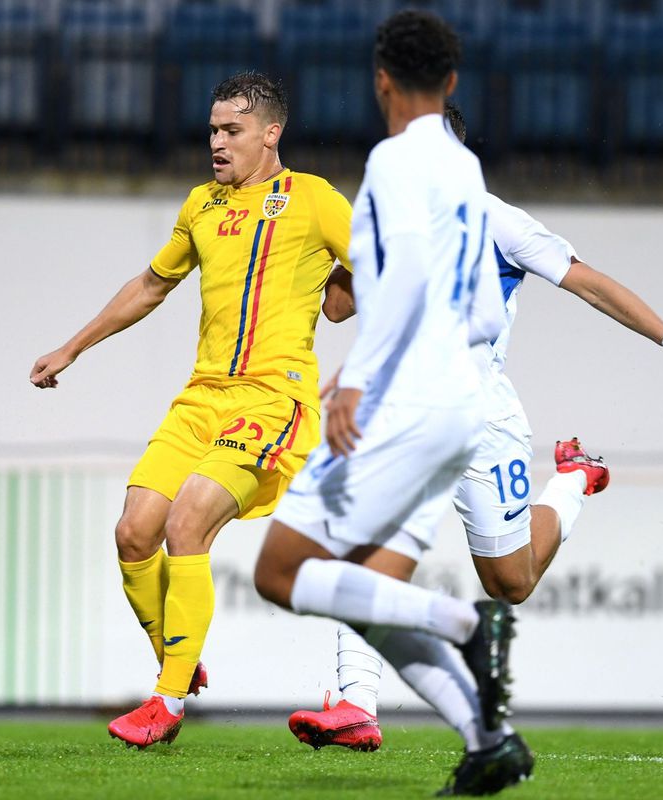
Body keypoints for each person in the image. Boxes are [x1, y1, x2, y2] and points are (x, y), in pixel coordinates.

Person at [283, 100, 663, 794]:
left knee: (512, 583)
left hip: (482, 417)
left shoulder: (498, 222)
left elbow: (589, 283)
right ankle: (357, 706)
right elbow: (339, 308)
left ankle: (574, 483)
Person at [249, 10, 529, 796]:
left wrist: (359, 379)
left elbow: (395, 281)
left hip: (405, 402)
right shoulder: (465, 170)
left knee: (281, 572)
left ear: (380, 80)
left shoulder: (396, 163)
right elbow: (479, 310)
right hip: (464, 403)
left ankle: (468, 625)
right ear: (451, 82)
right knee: (365, 584)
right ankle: (487, 740)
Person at [29, 71, 353, 748]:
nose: (216, 141)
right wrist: (72, 347)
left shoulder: (315, 200)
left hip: (272, 400)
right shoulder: (201, 205)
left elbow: (390, 273)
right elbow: (151, 285)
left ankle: (167, 702)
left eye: (231, 130)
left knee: (187, 521)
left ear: (272, 133)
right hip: (201, 396)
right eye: (212, 130)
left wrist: (358, 324)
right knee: (133, 533)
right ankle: (178, 660)